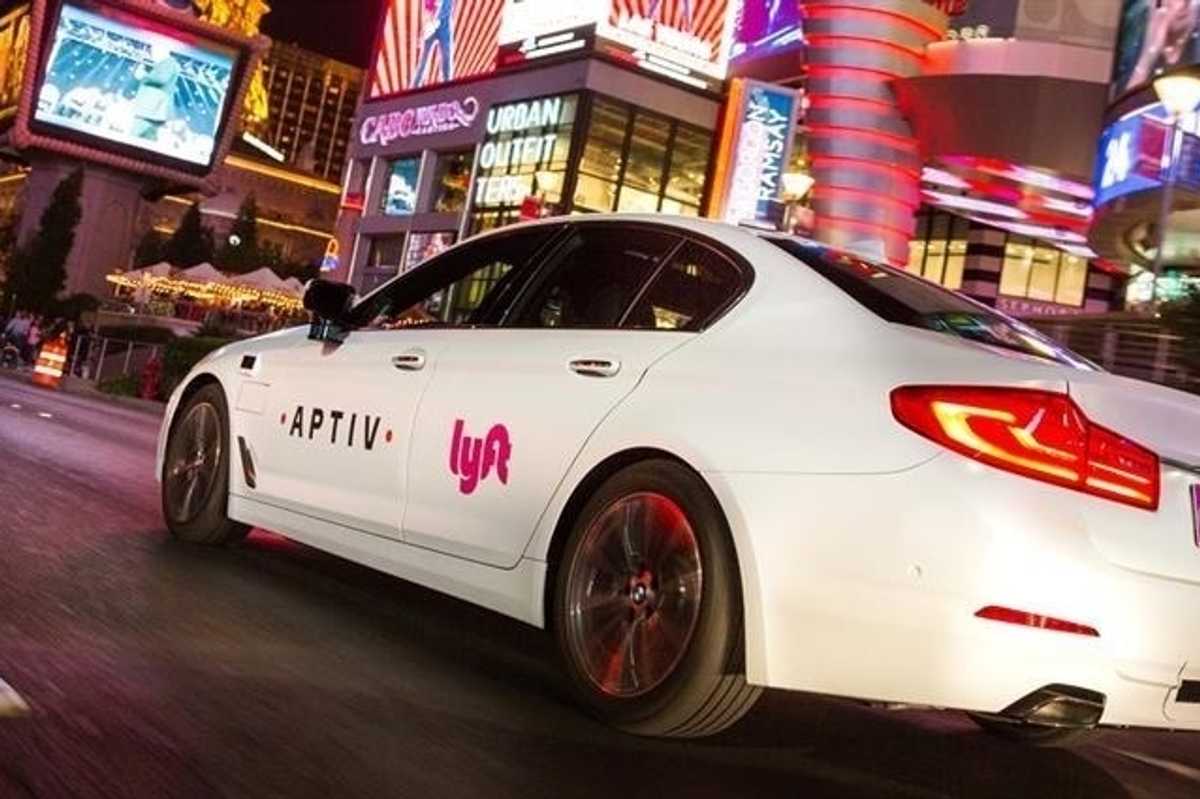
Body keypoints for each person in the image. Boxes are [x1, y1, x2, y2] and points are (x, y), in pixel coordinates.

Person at [132, 42, 182, 142]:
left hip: (150, 110)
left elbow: (161, 79)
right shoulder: (167, 63)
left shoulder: (168, 63)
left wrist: (142, 76)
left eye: (153, 49)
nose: (151, 53)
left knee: (133, 138)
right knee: (147, 140)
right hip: (153, 111)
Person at [413, 0, 454, 87]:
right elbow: (428, 9)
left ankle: (448, 85)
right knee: (424, 59)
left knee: (446, 59)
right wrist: (425, 30)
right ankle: (415, 86)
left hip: (444, 25)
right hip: (431, 23)